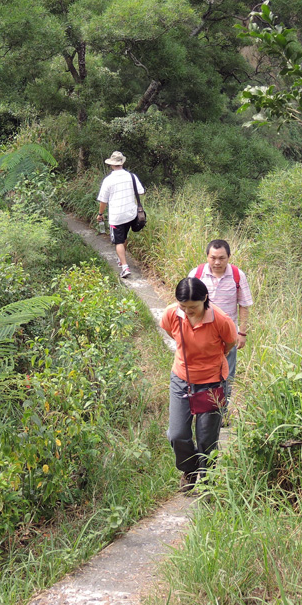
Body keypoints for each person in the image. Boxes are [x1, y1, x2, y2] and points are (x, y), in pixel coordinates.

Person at [161, 277, 237, 492]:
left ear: (204, 299)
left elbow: (229, 343)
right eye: (183, 306)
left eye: (192, 307)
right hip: (181, 379)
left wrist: (211, 359)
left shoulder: (221, 320)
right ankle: (190, 470)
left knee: (206, 437)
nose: (187, 311)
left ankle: (207, 479)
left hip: (212, 382)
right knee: (177, 434)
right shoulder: (172, 313)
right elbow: (170, 331)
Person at [188, 239, 253, 400]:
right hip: (201, 333)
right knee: (199, 372)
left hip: (227, 335)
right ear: (207, 256)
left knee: (226, 373)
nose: (217, 262)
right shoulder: (196, 274)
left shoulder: (237, 276)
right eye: (213, 257)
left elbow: (244, 305)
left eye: (222, 258)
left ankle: (221, 413)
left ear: (229, 257)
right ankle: (200, 408)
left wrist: (242, 333)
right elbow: (186, 304)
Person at [96, 151, 144, 278]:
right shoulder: (131, 176)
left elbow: (103, 201)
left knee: (118, 241)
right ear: (122, 163)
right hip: (130, 214)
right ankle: (121, 259)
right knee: (124, 237)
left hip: (116, 216)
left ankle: (124, 267)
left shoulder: (108, 180)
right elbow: (141, 191)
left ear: (112, 164)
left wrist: (100, 214)